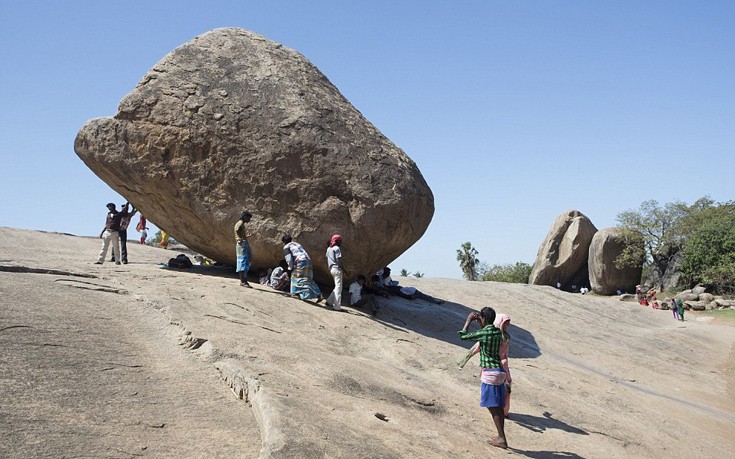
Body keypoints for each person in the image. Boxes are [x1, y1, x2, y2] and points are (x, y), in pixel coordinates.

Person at [459, 307, 508, 450]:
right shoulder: (498, 332)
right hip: (500, 371)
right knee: (498, 406)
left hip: (490, 373)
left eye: (480, 318)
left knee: (492, 406)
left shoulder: (484, 332)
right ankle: (501, 436)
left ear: (484, 319)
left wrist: (468, 321)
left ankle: (502, 439)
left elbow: (463, 336)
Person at [282, 234, 322, 302]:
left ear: (284, 242)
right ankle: (318, 294)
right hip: (308, 261)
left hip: (300, 262)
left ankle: (295, 293)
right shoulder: (297, 244)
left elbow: (288, 259)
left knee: (296, 277)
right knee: (308, 278)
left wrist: (290, 267)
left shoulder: (286, 247)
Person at [325, 234, 345, 311]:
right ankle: (337, 307)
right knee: (339, 289)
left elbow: (327, 257)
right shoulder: (337, 248)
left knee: (337, 287)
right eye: (340, 241)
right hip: (337, 269)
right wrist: (345, 270)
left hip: (331, 269)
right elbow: (339, 261)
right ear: (336, 241)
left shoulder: (329, 249)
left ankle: (329, 301)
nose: (341, 242)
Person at [234, 211, 253, 288]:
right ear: (244, 217)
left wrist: (245, 236)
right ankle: (243, 281)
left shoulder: (241, 224)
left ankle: (244, 280)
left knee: (245, 261)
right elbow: (237, 230)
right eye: (248, 218)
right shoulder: (240, 223)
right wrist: (239, 239)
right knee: (242, 261)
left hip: (243, 244)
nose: (249, 220)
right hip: (242, 245)